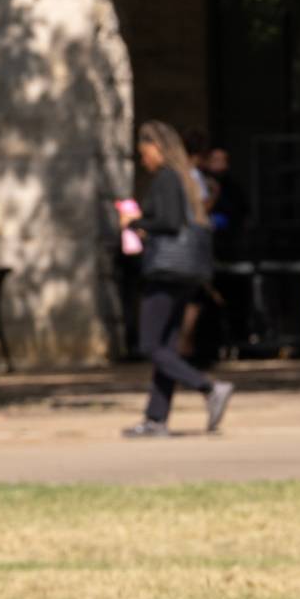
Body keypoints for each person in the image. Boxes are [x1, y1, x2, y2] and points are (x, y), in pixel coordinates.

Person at [118, 121, 233, 438]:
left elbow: (167, 222)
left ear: (157, 147)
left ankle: (209, 387)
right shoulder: (185, 179)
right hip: (187, 271)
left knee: (150, 344)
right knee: (166, 346)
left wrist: (135, 221)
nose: (144, 161)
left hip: (167, 270)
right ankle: (156, 419)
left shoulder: (167, 177)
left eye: (145, 153)